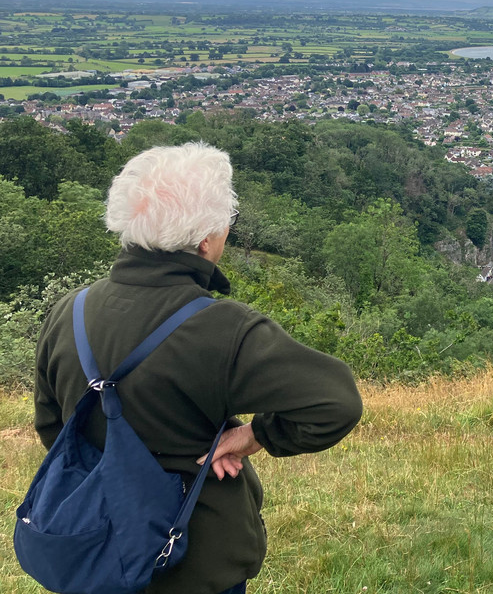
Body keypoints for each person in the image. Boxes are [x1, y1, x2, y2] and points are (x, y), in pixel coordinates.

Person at [32, 142, 363, 594]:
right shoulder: (223, 328)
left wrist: (114, 478)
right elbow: (336, 402)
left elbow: (52, 425)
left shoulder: (69, 311)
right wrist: (254, 436)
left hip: (90, 554)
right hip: (192, 560)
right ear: (206, 240)